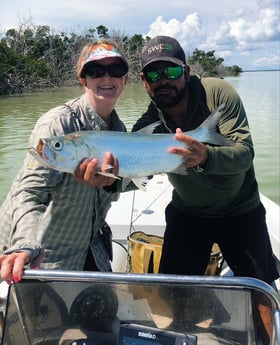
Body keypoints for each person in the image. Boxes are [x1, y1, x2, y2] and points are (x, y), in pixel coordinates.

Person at [132, 35, 279, 342]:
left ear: (186, 72)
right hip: (188, 212)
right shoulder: (149, 123)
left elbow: (244, 153)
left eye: (170, 72)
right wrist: (106, 179)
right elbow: (130, 171)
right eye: (154, 75)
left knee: (260, 287)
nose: (163, 81)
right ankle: (185, 333)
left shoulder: (218, 93)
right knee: (174, 290)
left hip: (240, 209)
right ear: (144, 82)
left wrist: (206, 156)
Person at [0, 38, 128, 283]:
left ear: (125, 80)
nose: (106, 77)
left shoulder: (118, 131)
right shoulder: (57, 124)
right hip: (44, 257)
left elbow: (116, 185)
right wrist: (25, 244)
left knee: (107, 319)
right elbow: (28, 192)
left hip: (90, 247)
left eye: (116, 70)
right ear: (83, 79)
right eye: (95, 71)